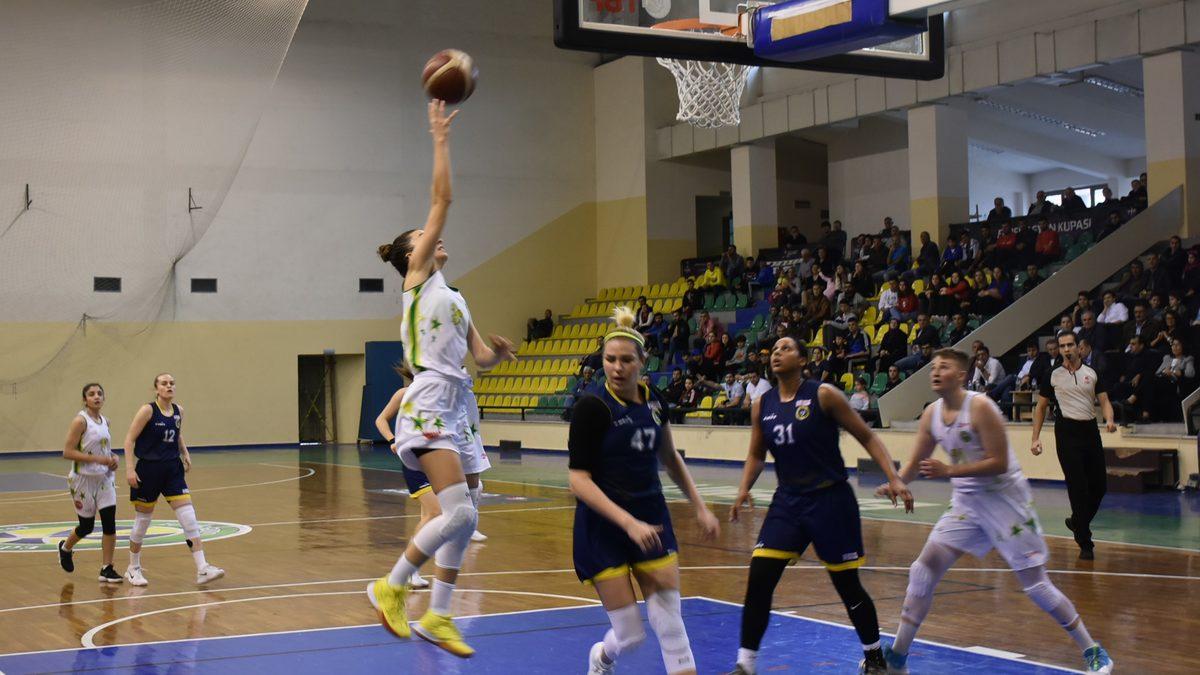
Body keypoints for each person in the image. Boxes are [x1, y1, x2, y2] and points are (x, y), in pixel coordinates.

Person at [369, 101, 515, 657]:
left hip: (460, 404)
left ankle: (440, 615)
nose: (434, 237)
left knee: (467, 514)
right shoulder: (416, 282)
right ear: (416, 252)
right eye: (424, 236)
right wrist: (440, 139)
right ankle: (392, 585)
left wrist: (498, 353)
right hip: (428, 397)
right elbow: (442, 201)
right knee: (458, 512)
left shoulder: (455, 296)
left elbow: (480, 356)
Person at [880, 349, 1114, 675]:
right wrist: (897, 483)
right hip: (967, 503)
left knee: (1036, 585)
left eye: (943, 367)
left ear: (961, 376)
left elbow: (999, 463)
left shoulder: (980, 407)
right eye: (933, 367)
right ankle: (897, 658)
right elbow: (916, 461)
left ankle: (1093, 651)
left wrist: (948, 471)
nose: (935, 371)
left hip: (1005, 503)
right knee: (923, 568)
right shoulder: (932, 413)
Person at [726, 337, 912, 675]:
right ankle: (745, 664)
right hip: (788, 501)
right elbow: (756, 454)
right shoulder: (762, 404)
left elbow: (867, 436)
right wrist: (742, 489)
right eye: (775, 350)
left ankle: (875, 659)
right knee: (760, 578)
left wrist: (894, 477)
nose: (777, 353)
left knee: (847, 585)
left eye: (786, 348)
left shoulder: (824, 395)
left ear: (803, 359)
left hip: (830, 500)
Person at [571, 308, 720, 675]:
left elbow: (669, 456)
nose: (617, 367)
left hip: (651, 516)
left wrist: (700, 506)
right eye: (610, 359)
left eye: (626, 360)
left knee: (670, 623)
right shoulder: (592, 407)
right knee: (630, 636)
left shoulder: (655, 400)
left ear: (642, 361)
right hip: (603, 527)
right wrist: (628, 524)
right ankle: (601, 658)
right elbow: (579, 480)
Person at [122, 373, 225, 587]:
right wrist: (130, 469)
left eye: (171, 383)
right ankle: (133, 567)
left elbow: (177, 434)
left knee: (189, 517)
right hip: (148, 470)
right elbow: (129, 440)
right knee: (142, 521)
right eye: (164, 383)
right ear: (156, 389)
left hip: (172, 469)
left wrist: (185, 452)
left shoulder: (179, 411)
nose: (169, 386)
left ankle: (202, 568)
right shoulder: (148, 410)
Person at [1031, 332, 1116, 560]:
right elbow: (1040, 407)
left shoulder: (1091, 373)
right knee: (1077, 486)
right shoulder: (1052, 375)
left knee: (1099, 486)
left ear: (1079, 347)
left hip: (1090, 431)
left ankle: (1077, 521)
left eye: (1070, 345)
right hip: (1066, 432)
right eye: (1062, 346)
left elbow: (1104, 400)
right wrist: (1035, 438)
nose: (1066, 349)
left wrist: (1109, 420)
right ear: (1059, 350)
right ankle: (1085, 541)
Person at [58, 383, 122, 583]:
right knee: (87, 526)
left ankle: (107, 568)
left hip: (104, 478)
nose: (96, 397)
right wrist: (97, 460)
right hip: (82, 479)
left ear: (104, 398)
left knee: (110, 523)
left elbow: (104, 450)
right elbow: (67, 452)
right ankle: (65, 548)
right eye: (91, 394)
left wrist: (113, 458)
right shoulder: (80, 421)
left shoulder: (105, 421)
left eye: (99, 393)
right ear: (85, 399)